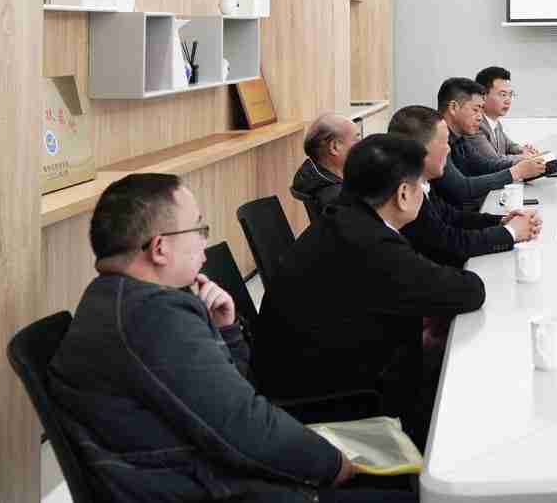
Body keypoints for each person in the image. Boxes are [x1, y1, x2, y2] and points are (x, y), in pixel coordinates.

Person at [47, 173, 401, 501]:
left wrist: (226, 332)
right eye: (198, 229)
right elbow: (245, 427)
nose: (204, 244)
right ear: (159, 248)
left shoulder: (111, 300)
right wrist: (333, 464)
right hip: (210, 488)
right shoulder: (151, 316)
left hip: (200, 478)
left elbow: (238, 398)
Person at [254, 134, 487, 446]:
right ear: (403, 194)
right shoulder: (370, 243)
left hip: (303, 378)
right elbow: (468, 291)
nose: (423, 194)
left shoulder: (344, 219)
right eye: (421, 186)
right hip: (335, 403)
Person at [391, 104, 542, 267]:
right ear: (420, 150)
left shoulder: (423, 183)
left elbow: (452, 217)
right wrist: (511, 232)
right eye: (444, 143)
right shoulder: (407, 194)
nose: (448, 150)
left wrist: (502, 221)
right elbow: (450, 243)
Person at [428, 81, 545, 209]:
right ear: (453, 108)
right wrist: (516, 172)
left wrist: (523, 163)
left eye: (481, 110)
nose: (480, 117)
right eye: (475, 110)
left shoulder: (460, 138)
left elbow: (485, 165)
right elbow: (461, 188)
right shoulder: (435, 141)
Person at [291, 112, 359, 224]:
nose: (361, 144)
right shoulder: (337, 198)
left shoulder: (320, 181)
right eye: (356, 139)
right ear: (335, 147)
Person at [472, 65, 540, 162]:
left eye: (510, 95)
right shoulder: (474, 125)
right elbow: (493, 160)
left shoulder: (495, 124)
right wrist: (524, 157)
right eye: (503, 94)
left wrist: (523, 150)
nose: (508, 101)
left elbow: (509, 146)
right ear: (483, 96)